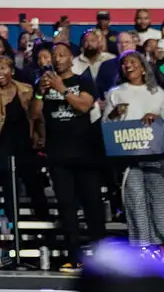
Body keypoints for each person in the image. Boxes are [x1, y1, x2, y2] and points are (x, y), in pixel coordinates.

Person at [31, 43, 106, 273]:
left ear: (71, 58)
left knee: (93, 206)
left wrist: (61, 88)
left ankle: (102, 258)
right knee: (67, 207)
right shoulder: (43, 83)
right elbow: (34, 114)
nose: (57, 58)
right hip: (58, 155)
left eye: (62, 54)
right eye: (54, 55)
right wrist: (39, 92)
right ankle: (74, 256)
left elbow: (84, 106)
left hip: (86, 154)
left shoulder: (83, 80)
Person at [0, 56, 48, 224]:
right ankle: (13, 221)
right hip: (2, 144)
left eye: (3, 68)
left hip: (24, 143)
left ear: (12, 71)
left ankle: (42, 216)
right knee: (8, 179)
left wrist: (41, 136)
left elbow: (37, 116)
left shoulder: (26, 89)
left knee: (33, 178)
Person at [103, 51, 164, 256]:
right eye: (124, 63)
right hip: (129, 158)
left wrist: (155, 118)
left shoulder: (158, 93)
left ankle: (161, 244)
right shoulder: (115, 93)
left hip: (156, 156)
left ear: (143, 66)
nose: (128, 66)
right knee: (135, 200)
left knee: (159, 200)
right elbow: (106, 126)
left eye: (132, 62)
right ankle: (143, 248)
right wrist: (113, 113)